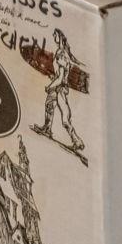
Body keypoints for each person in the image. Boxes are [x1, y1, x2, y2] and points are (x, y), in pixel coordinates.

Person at [31, 28, 86, 164]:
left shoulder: (61, 54)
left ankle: (77, 141)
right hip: (58, 86)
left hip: (59, 87)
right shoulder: (61, 52)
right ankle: (47, 128)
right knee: (50, 105)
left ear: (60, 36)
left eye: (55, 35)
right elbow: (59, 74)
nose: (53, 36)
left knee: (65, 118)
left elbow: (61, 78)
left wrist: (50, 86)